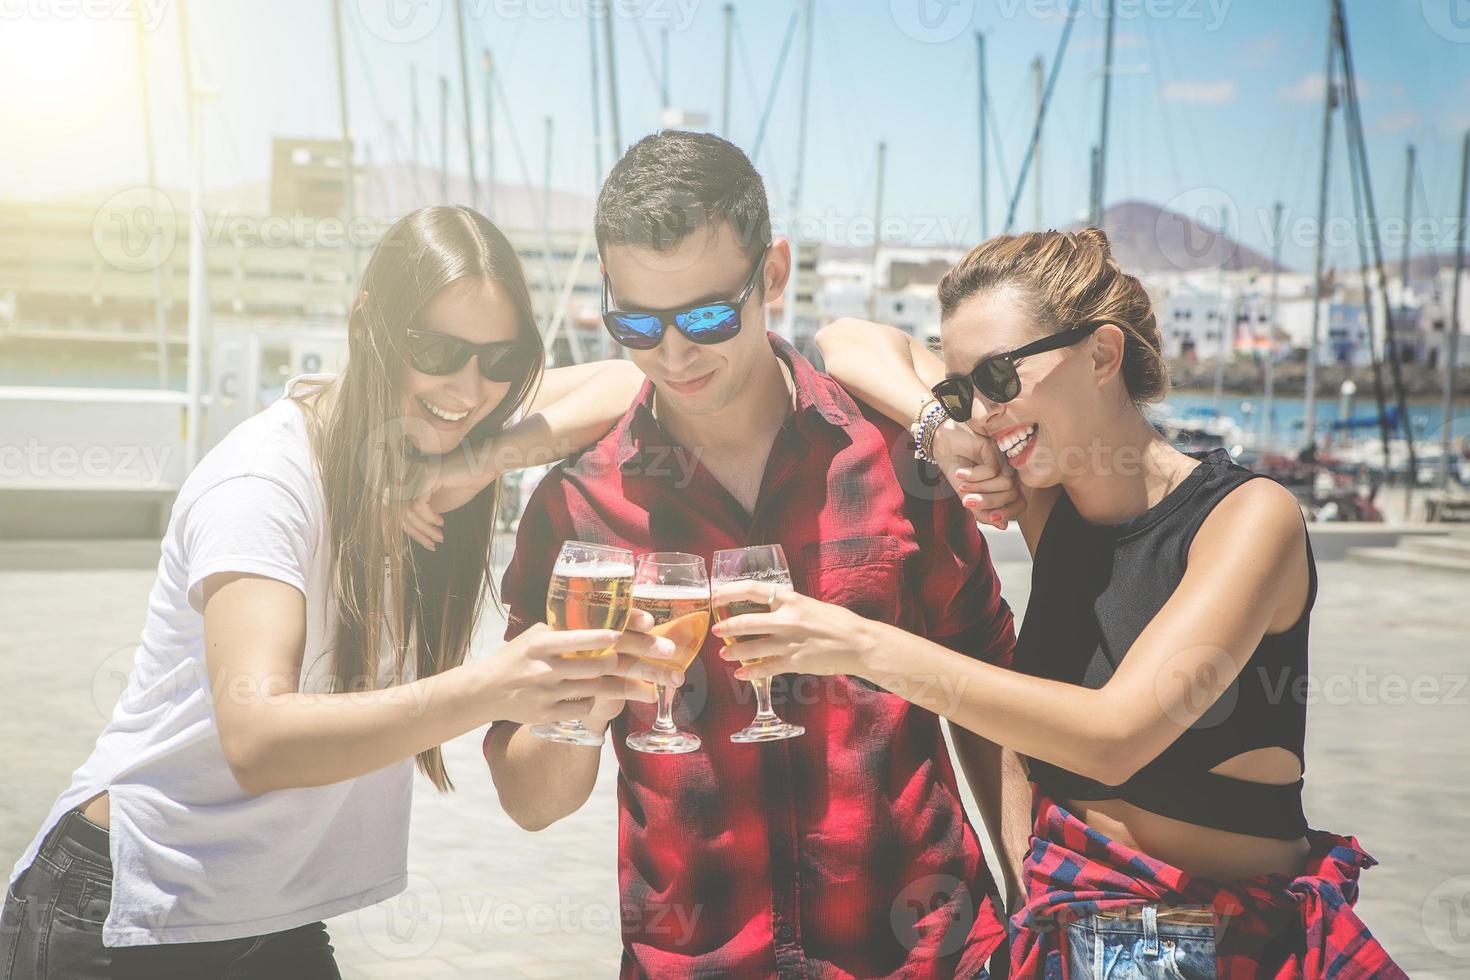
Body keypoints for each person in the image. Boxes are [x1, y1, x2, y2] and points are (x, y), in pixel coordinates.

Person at [1, 206, 680, 980]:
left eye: (502, 359)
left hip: (269, 918)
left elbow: (630, 374)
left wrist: (476, 465)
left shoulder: (427, 449)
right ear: (372, 325)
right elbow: (257, 739)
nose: (469, 386)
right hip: (126, 912)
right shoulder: (265, 482)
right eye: (436, 349)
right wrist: (489, 686)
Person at [715, 228, 1405, 977]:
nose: (982, 411)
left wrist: (860, 647)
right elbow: (846, 339)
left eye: (1000, 379)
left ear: (1104, 355)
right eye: (962, 390)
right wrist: (939, 431)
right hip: (1064, 930)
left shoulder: (1248, 519)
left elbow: (1115, 736)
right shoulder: (1054, 510)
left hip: (1217, 939)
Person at [486, 131, 1030, 978]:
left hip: (929, 959)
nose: (672, 354)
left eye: (706, 316)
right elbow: (530, 801)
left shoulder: (894, 455)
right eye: (636, 321)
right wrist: (588, 699)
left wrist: (1033, 902)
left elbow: (993, 695)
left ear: (773, 275)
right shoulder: (576, 508)